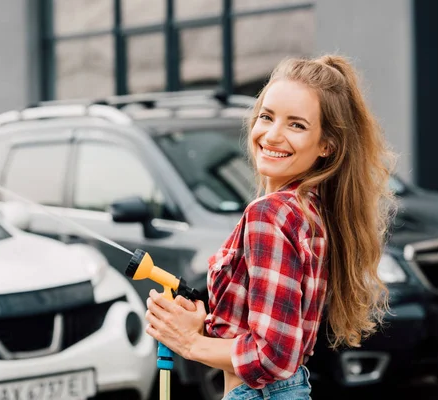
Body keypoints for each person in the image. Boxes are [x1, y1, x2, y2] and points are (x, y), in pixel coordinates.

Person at [144, 54, 397, 399]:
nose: (272, 135)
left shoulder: (271, 214)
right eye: (267, 116)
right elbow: (268, 333)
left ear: (327, 145)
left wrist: (189, 343)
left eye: (296, 125)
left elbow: (272, 355)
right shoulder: (309, 211)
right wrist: (202, 326)